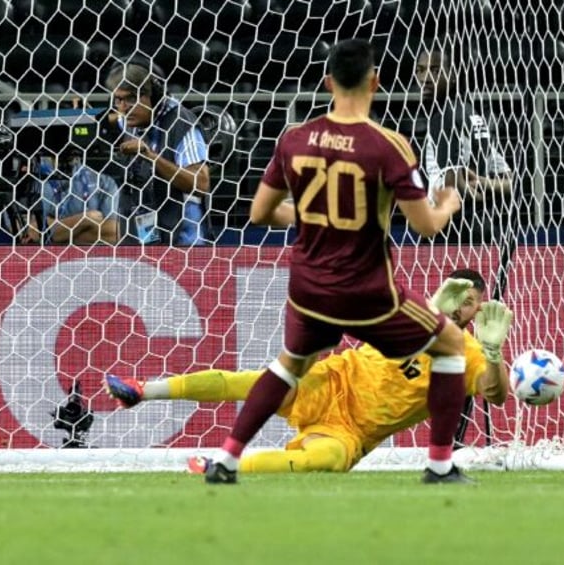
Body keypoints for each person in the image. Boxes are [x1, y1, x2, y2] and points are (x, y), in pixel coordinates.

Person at [205, 38, 469, 485]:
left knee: (288, 365)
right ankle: (440, 466)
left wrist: (310, 217)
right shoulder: (390, 146)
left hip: (309, 292)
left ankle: (227, 461)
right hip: (369, 294)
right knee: (452, 347)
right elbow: (426, 226)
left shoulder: (295, 139)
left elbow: (259, 213)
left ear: (328, 82)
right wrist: (448, 202)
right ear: (375, 81)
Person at [105, 270, 513, 474]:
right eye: (458, 294)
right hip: (330, 381)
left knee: (328, 459)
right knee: (252, 381)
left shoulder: (473, 352)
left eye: (472, 301)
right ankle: (144, 390)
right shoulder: (410, 312)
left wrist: (494, 352)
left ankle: (223, 468)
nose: (463, 305)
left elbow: (494, 394)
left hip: (353, 430)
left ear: (480, 309)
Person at [413, 45, 515, 245]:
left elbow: (453, 188)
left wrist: (471, 191)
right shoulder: (474, 115)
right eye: (420, 70)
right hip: (484, 228)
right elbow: (511, 183)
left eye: (435, 70)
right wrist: (484, 184)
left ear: (452, 75)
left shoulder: (444, 118)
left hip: (450, 232)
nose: (425, 78)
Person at [104, 57, 211, 245]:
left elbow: (200, 184)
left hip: (184, 243)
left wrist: (150, 155)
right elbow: (114, 118)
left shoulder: (182, 124)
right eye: (118, 99)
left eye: (131, 98)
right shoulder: (129, 119)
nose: (124, 108)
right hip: (147, 235)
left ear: (155, 95)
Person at [22, 152, 120, 245]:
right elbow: (29, 232)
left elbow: (114, 233)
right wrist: (86, 219)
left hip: (91, 259)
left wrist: (58, 233)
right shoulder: (34, 181)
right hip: (45, 258)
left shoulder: (104, 183)